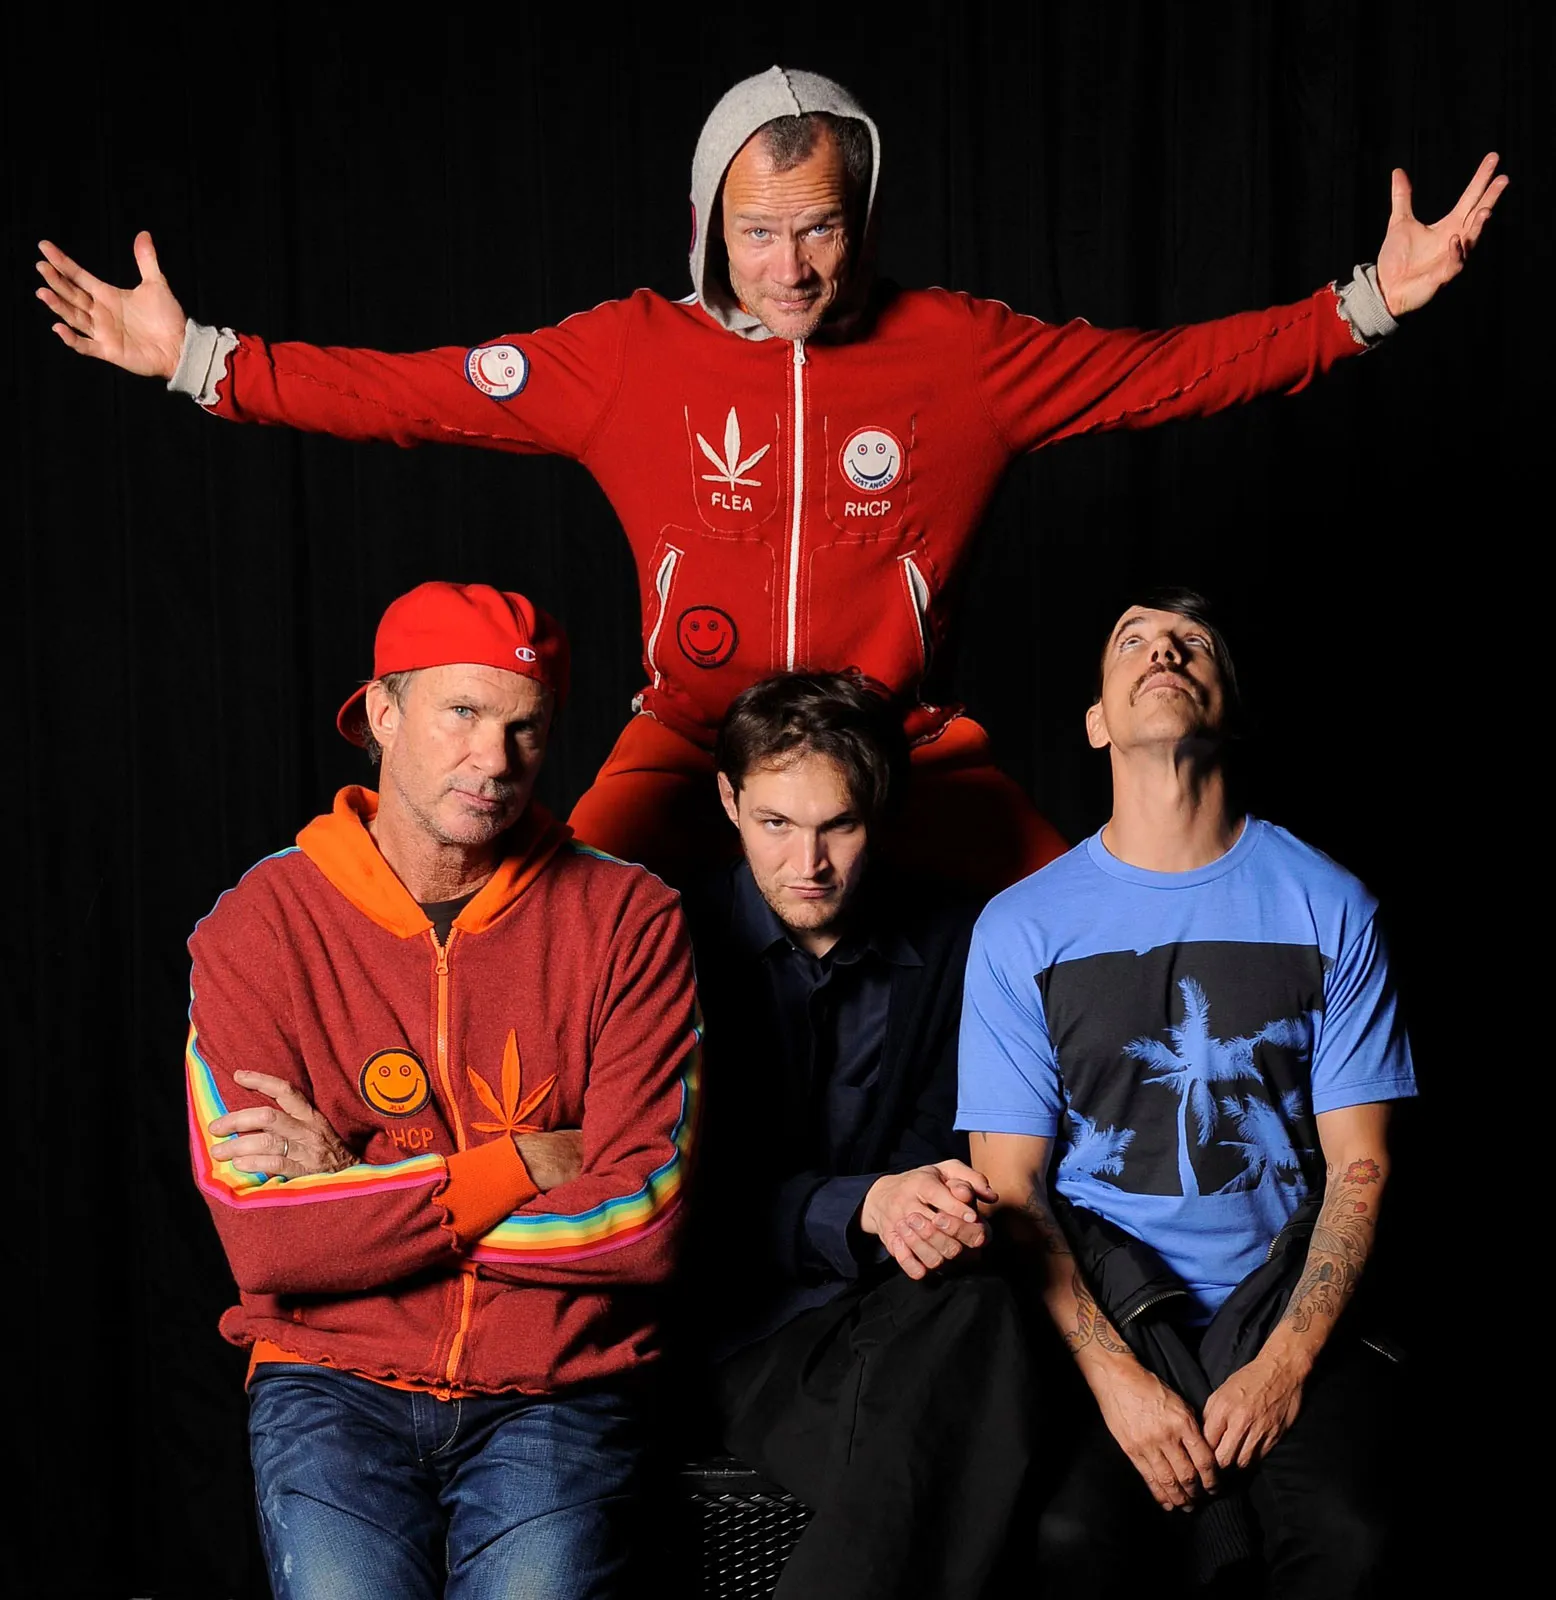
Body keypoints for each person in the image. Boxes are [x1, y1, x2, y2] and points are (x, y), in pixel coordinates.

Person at [34, 69, 1505, 889]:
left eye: (819, 228)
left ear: (859, 218)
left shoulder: (959, 353)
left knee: (1089, 938)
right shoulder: (630, 356)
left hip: (903, 748)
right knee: (536, 930)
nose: (790, 268)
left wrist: (1365, 305)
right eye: (756, 233)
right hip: (691, 743)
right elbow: (418, 396)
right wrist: (200, 360)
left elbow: (1162, 372)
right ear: (705, 227)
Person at [184, 579, 701, 1600]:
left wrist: (354, 1184)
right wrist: (524, 1163)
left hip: (554, 1388)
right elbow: (266, 1239)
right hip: (329, 1380)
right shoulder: (257, 925)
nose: (495, 759)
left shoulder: (628, 918)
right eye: (462, 712)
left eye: (524, 727)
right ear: (381, 713)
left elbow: (642, 1224)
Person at [955, 589, 1416, 1596]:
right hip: (1108, 1314)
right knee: (1066, 1540)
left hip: (1287, 1304)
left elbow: (1361, 1166)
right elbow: (1012, 1191)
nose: (1162, 650)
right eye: (1132, 640)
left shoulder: (1331, 903)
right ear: (1095, 721)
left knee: (1349, 1539)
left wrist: (1284, 1365)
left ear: (1230, 708)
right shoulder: (1019, 928)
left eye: (1191, 642)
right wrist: (1119, 1383)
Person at [681, 671, 1032, 1600]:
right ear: (729, 802)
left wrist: (928, 1206)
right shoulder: (668, 939)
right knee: (991, 1472)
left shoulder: (960, 941)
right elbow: (672, 1196)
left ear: (879, 810)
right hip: (743, 1336)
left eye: (838, 825)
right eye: (775, 824)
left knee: (988, 1312)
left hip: (908, 1313)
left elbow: (953, 1154)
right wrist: (864, 1204)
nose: (809, 863)